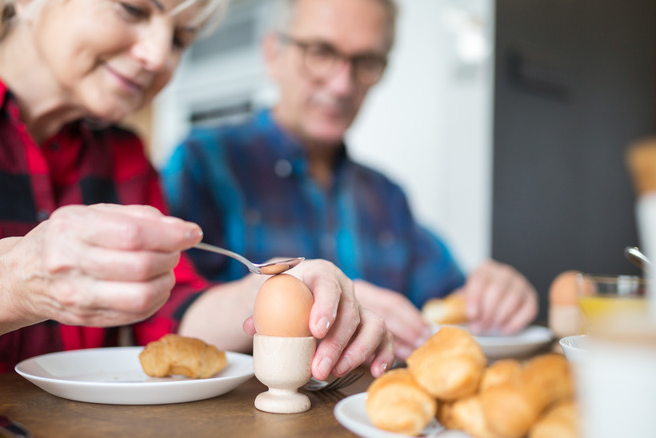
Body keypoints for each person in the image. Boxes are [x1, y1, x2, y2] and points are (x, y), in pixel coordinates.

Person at [0, 0, 395, 380]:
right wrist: (14, 279)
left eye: (179, 39)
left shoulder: (121, 155)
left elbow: (173, 315)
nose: (157, 56)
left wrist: (280, 286)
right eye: (132, 9)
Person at [162, 0, 538, 360]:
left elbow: (449, 302)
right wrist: (327, 306)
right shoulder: (203, 164)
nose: (343, 85)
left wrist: (490, 295)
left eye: (365, 61)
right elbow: (162, 320)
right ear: (272, 53)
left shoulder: (387, 197)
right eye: (321, 52)